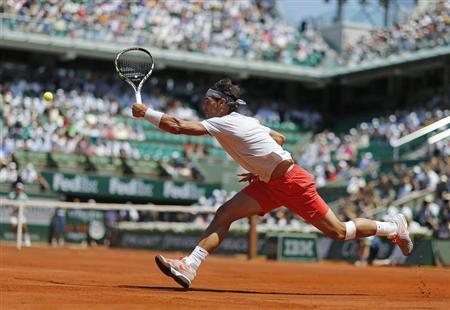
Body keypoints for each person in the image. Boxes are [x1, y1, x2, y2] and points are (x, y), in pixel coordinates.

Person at [131, 78, 413, 288]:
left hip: (292, 183)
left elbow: (178, 127)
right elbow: (279, 138)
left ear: (222, 103)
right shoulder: (247, 121)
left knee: (339, 232)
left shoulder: (226, 122)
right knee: (225, 213)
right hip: (269, 182)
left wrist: (146, 113)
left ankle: (392, 228)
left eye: (209, 99)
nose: (204, 103)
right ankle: (189, 266)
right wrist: (261, 166)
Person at [8, 182, 31, 247]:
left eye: (20, 189)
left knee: (24, 227)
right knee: (13, 227)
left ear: (22, 189)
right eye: (17, 188)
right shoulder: (11, 195)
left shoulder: (24, 196)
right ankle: (19, 240)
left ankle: (26, 239)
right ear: (16, 189)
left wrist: (21, 208)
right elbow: (8, 204)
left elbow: (27, 205)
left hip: (21, 214)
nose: (18, 190)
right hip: (13, 214)